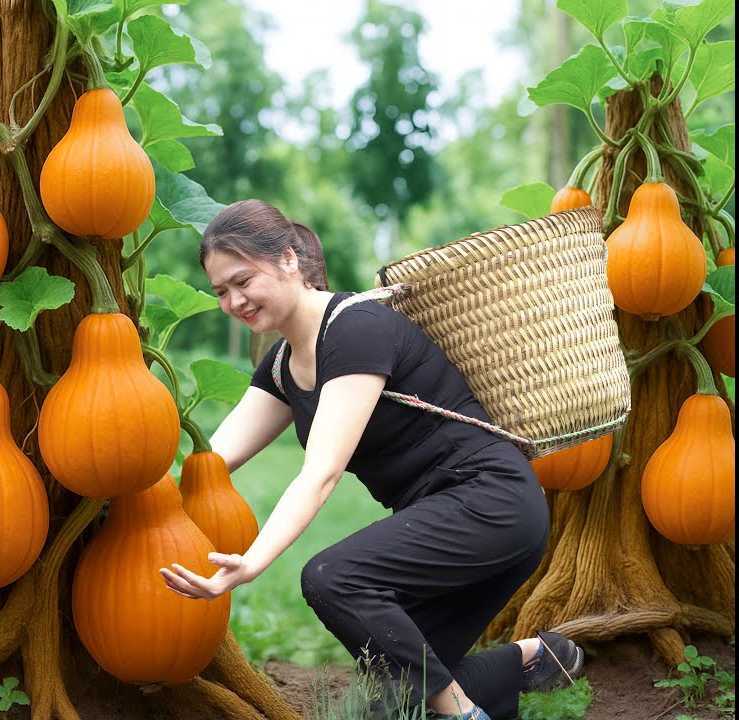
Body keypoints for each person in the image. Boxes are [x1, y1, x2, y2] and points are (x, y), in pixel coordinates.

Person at [159, 200, 585, 720]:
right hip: (446, 519)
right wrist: (139, 503)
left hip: (490, 502)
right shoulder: (280, 368)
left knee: (332, 577)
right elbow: (211, 462)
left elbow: (321, 473)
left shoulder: (356, 329)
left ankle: (464, 715)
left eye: (243, 280)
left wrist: (250, 564)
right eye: (221, 291)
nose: (235, 300)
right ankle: (534, 658)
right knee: (387, 705)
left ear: (289, 260)